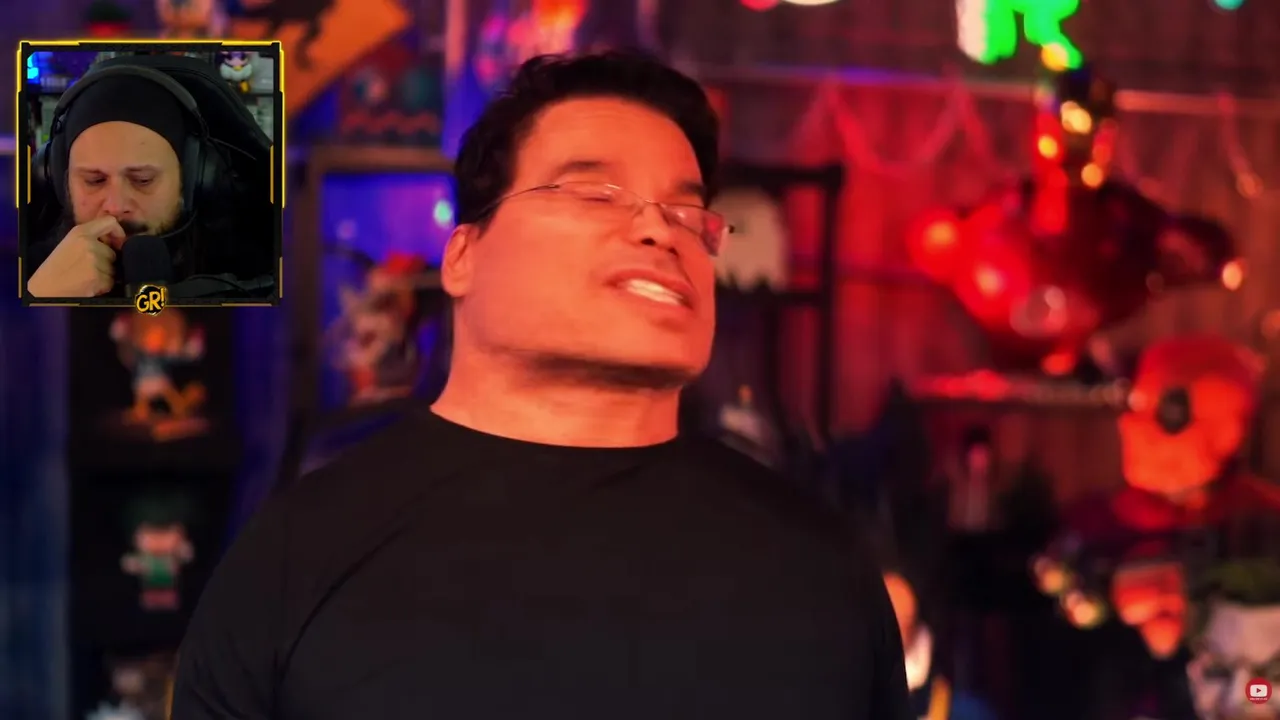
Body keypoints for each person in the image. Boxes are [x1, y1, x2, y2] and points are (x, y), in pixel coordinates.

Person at [172, 51, 911, 719]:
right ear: (463, 255)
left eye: (689, 213)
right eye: (595, 193)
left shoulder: (821, 570)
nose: (661, 231)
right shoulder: (302, 549)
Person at [25, 57, 274, 299]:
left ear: (193, 179)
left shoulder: (260, 275)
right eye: (94, 181)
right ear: (60, 181)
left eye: (142, 180)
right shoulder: (25, 274)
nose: (116, 206)